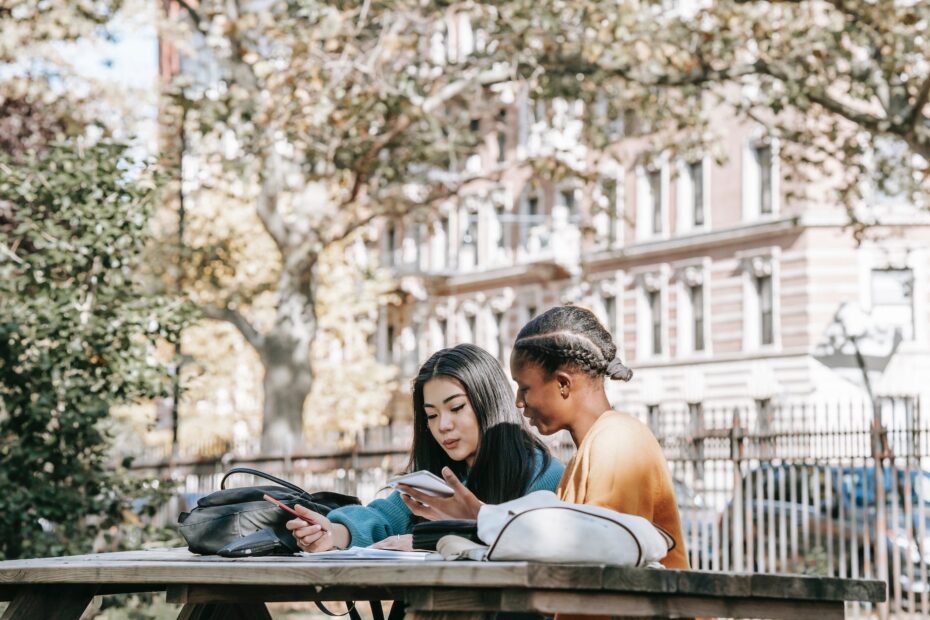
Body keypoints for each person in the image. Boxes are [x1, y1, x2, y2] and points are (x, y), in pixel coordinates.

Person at [401, 306, 688, 569]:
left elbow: (598, 551)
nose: (518, 402)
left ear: (563, 383)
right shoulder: (593, 449)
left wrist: (480, 517)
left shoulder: (618, 440)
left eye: (524, 388)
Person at [286, 343, 565, 552]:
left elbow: (533, 543)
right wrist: (331, 533)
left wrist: (426, 542)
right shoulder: (433, 480)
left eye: (456, 408)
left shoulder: (544, 475)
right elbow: (380, 517)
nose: (442, 425)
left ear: (490, 403)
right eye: (431, 415)